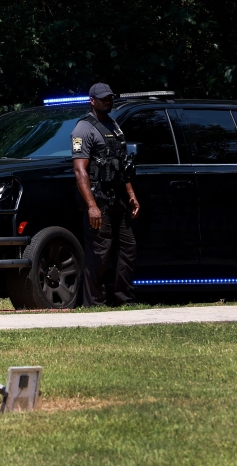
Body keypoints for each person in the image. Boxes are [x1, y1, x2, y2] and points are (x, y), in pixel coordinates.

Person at [71, 83, 140, 307]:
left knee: (128, 248)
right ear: (92, 101)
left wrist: (131, 194)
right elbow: (80, 171)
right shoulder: (83, 128)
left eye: (109, 98)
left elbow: (121, 165)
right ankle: (94, 304)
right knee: (99, 252)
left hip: (119, 196)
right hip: (99, 198)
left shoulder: (114, 124)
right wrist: (92, 206)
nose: (107, 101)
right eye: (103, 99)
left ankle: (124, 299)